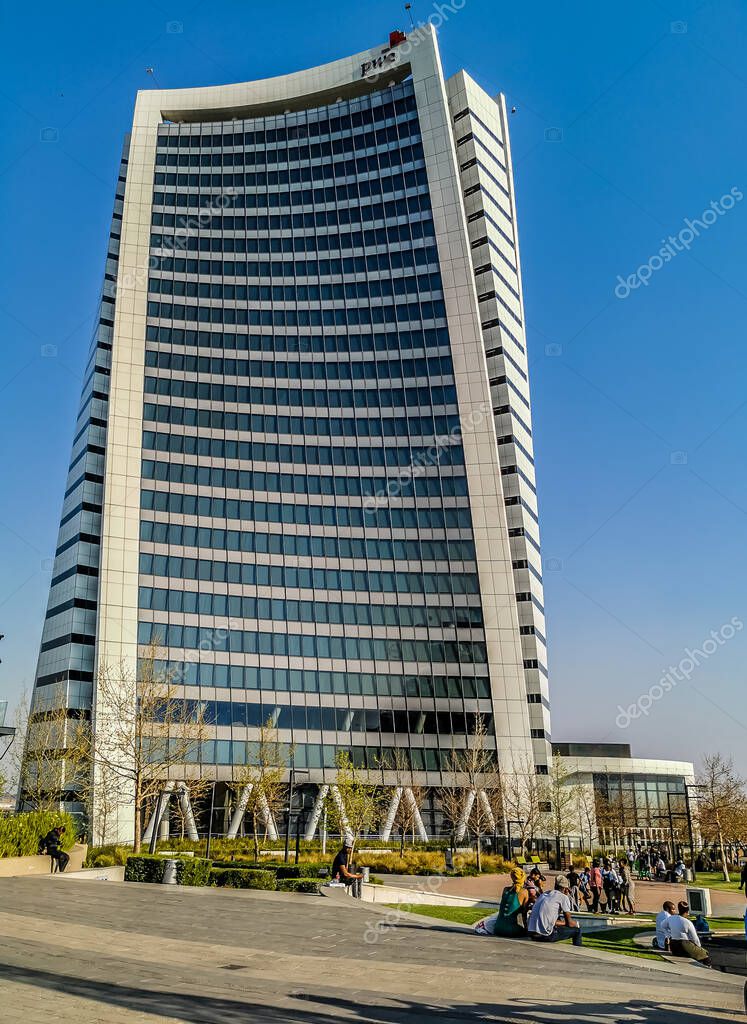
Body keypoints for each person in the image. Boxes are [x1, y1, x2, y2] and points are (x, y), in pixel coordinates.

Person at [527, 875, 582, 946]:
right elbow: (569, 923)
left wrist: (562, 923)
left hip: (532, 933)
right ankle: (578, 952)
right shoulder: (563, 897)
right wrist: (577, 924)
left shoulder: (544, 894)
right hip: (545, 935)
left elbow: (550, 920)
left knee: (559, 924)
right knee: (577, 931)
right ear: (565, 889)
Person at [667, 901, 711, 966]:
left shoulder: (671, 918)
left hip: (673, 946)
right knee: (705, 954)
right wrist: (699, 948)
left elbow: (663, 925)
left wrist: (668, 934)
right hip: (683, 945)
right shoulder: (687, 922)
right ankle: (708, 968)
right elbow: (695, 938)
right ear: (687, 911)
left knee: (693, 950)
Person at [492, 867, 529, 937]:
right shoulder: (524, 892)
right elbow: (524, 914)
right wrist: (526, 928)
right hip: (512, 930)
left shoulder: (505, 890)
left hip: (498, 928)